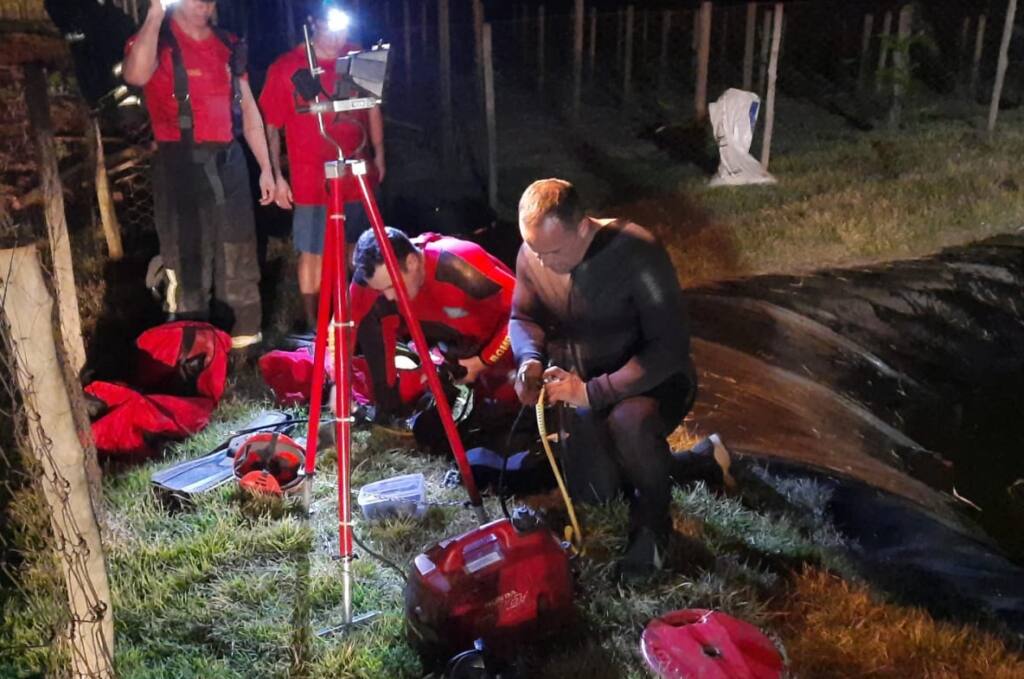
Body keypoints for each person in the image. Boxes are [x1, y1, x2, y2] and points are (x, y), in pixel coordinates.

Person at [510, 178, 702, 581]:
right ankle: (701, 462)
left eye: (554, 251)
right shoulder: (535, 254)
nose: (543, 262)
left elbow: (669, 348)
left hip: (652, 383)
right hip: (586, 386)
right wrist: (528, 360)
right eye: (534, 250)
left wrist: (593, 392)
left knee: (628, 425)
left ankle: (653, 526)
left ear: (583, 226)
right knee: (597, 493)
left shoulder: (636, 251)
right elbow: (523, 317)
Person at [123, 0, 273, 351]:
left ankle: (242, 347)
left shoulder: (228, 43)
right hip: (179, 166)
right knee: (188, 263)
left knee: (239, 254)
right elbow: (135, 75)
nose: (205, 3)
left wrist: (266, 168)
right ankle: (192, 354)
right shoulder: (155, 40)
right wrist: (155, 13)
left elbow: (248, 108)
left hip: (229, 162)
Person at [259, 1, 385, 334]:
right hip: (311, 177)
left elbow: (372, 108)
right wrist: (276, 174)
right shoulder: (287, 67)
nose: (337, 34)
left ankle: (352, 316)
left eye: (343, 26)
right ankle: (315, 324)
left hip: (355, 170)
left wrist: (379, 153)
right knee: (313, 250)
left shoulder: (358, 56)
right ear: (313, 22)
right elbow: (271, 124)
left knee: (354, 246)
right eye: (330, 25)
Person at [350, 227, 516, 420]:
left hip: (506, 348)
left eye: (391, 286)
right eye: (381, 289)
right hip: (456, 351)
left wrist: (483, 361)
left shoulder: (457, 263)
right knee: (370, 310)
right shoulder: (373, 282)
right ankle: (390, 407)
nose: (389, 296)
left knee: (507, 410)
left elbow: (528, 311)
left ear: (411, 262)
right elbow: (341, 331)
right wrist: (339, 384)